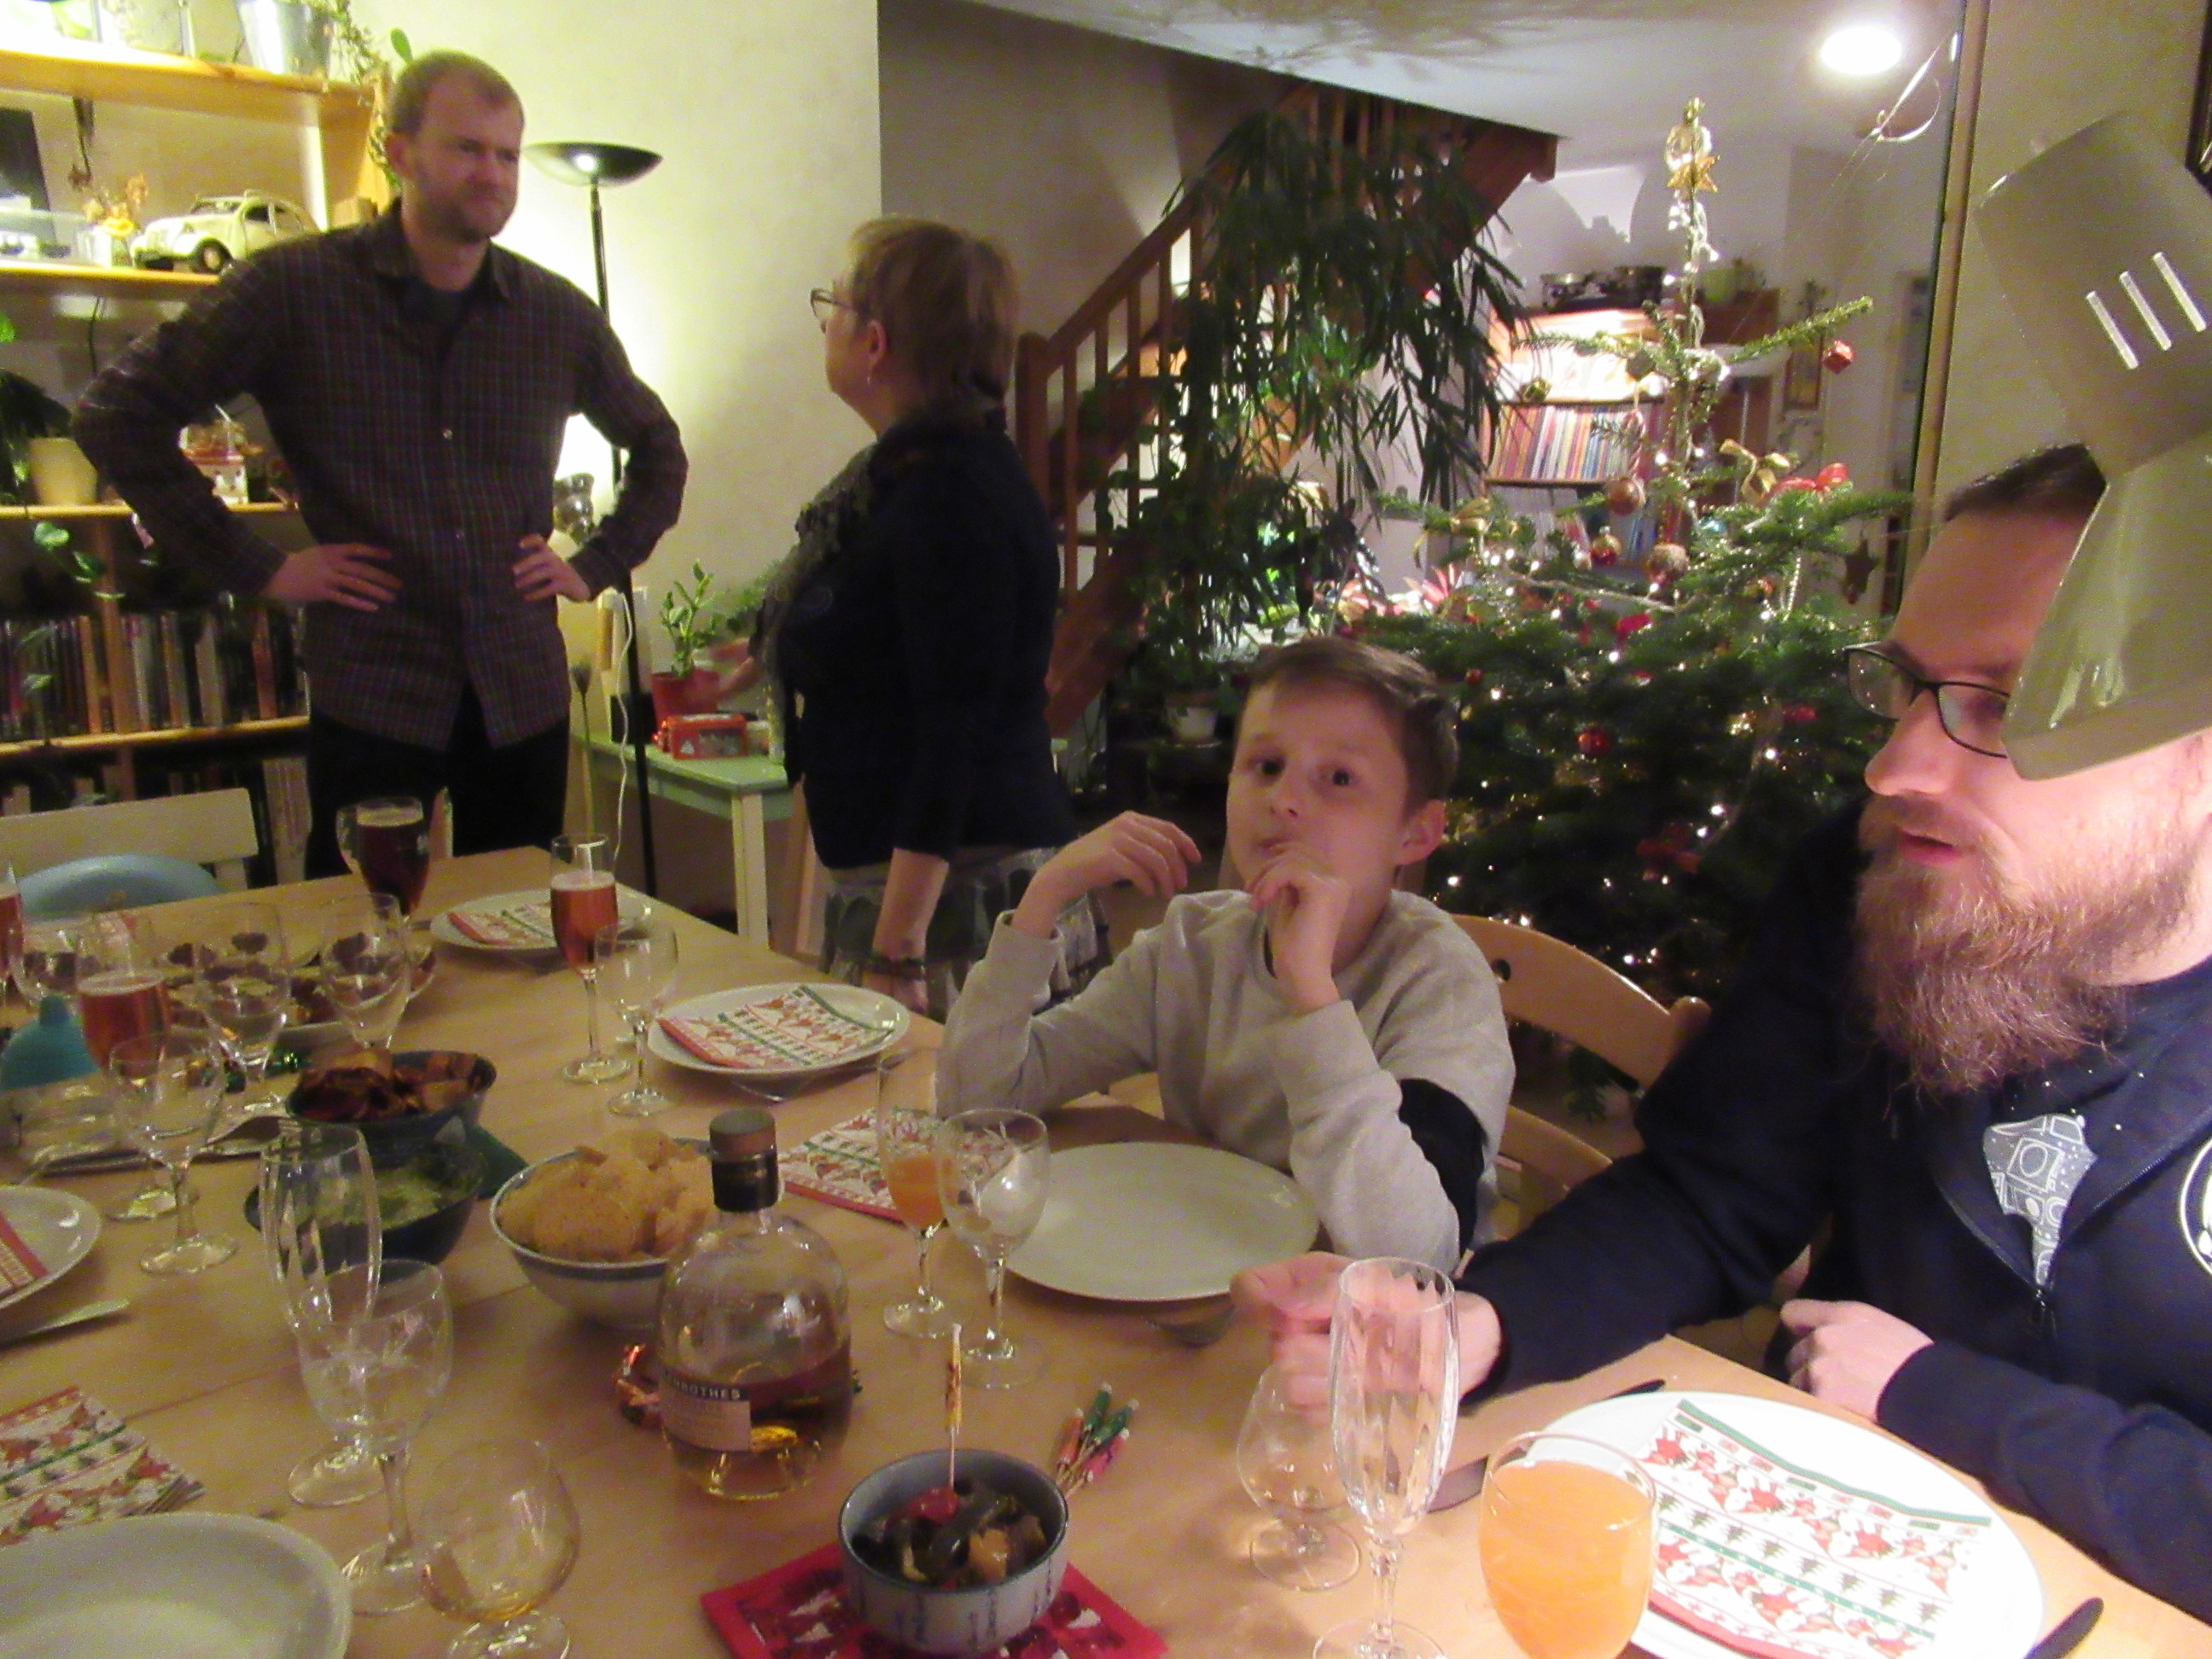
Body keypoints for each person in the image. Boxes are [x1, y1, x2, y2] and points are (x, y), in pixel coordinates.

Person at [1236, 445, 2212, 1619]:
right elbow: (1710, 1195)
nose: (1895, 765)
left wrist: (1938, 1395)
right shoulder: (1873, 874)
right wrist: (1481, 1325)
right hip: (1823, 1561)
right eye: (1909, 688)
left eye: (2004, 703)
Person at [74, 51, 686, 876]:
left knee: (516, 920)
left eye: (508, 155)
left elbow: (659, 450)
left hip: (520, 689)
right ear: (400, 153)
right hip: (375, 687)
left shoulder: (555, 317)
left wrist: (594, 565)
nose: (493, 174)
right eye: (467, 149)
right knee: (360, 917)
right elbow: (116, 414)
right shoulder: (293, 290)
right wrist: (262, 567)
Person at [940, 635, 1512, 1272]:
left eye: (1340, 778)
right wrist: (1044, 898)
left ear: (1416, 831)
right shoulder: (1192, 946)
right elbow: (976, 1102)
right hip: (1207, 1265)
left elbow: (1415, 1259)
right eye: (1266, 765)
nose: (1283, 799)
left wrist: (1311, 996)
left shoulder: (1441, 987)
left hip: (1351, 1318)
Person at [732, 218, 1079, 1018]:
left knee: (946, 1100)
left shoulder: (952, 497)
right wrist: (771, 652)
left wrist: (897, 949)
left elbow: (952, 731)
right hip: (917, 883)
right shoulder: (903, 475)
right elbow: (886, 631)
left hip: (955, 902)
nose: (825, 322)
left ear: (876, 342)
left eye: (834, 304)